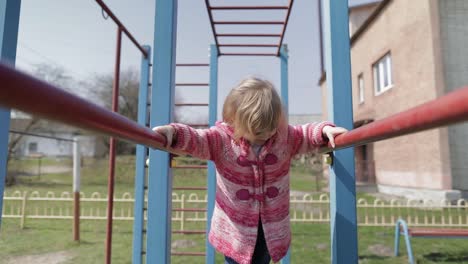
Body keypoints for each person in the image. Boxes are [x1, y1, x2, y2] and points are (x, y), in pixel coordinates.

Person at [152, 77, 347, 264]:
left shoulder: (284, 138)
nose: (267, 135)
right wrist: (174, 132)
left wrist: (324, 131)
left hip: (270, 229)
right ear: (234, 121)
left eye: (271, 128)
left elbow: (305, 134)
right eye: (258, 132)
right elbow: (198, 139)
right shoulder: (222, 140)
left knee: (262, 260)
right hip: (235, 230)